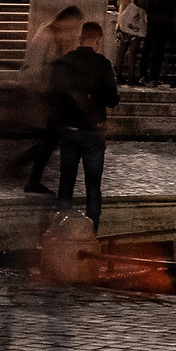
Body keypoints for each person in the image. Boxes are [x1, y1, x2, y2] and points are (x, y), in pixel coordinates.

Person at [49, 19, 119, 227]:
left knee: (66, 183)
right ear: (98, 40)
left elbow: (52, 94)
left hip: (69, 129)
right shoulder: (103, 65)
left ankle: (60, 229)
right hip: (93, 132)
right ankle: (91, 233)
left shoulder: (65, 62)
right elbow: (113, 100)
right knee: (93, 187)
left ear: (80, 38)